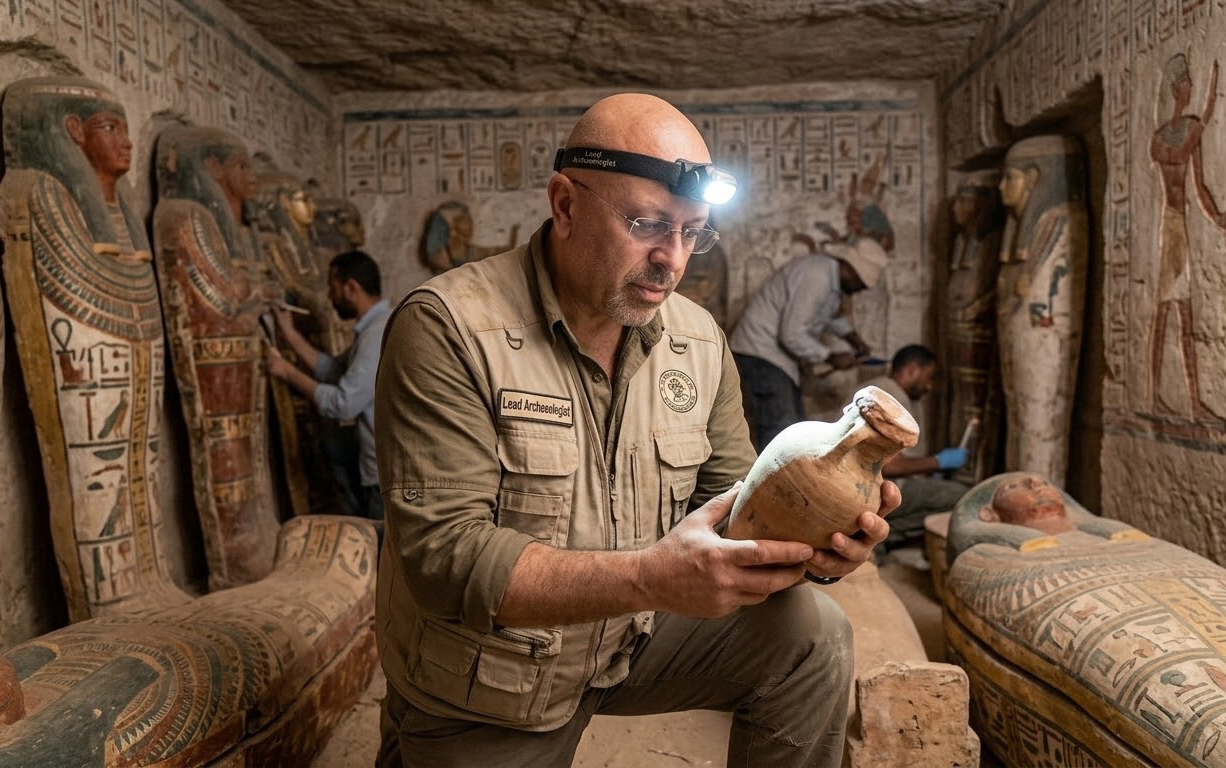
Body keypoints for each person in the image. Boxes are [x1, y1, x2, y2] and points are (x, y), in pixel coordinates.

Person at [373, 92, 898, 768]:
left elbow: (739, 511)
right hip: (489, 677)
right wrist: (650, 578)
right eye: (648, 224)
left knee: (810, 634)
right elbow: (446, 562)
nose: (672, 259)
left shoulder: (698, 341)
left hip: (628, 638)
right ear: (565, 204)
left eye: (693, 232)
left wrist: (816, 546)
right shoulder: (447, 327)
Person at [264, 249, 390, 523]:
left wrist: (287, 372)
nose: (330, 297)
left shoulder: (376, 334)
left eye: (332, 287)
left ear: (351, 288)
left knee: (379, 556)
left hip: (383, 478)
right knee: (334, 443)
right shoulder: (374, 328)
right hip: (378, 469)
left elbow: (344, 404)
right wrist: (290, 334)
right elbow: (334, 371)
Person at [729, 235, 887, 451]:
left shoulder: (828, 278)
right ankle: (773, 484)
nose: (860, 290)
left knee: (795, 428)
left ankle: (785, 482)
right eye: (860, 283)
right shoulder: (817, 276)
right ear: (850, 269)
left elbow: (828, 316)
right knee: (781, 430)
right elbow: (792, 335)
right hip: (760, 351)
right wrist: (831, 357)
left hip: (776, 357)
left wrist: (853, 338)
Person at [859, 345, 969, 550]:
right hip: (872, 489)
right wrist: (938, 463)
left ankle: (876, 537)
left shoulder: (874, 387)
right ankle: (880, 540)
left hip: (864, 487)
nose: (929, 386)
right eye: (929, 377)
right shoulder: (892, 396)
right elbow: (887, 466)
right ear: (911, 370)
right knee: (963, 497)